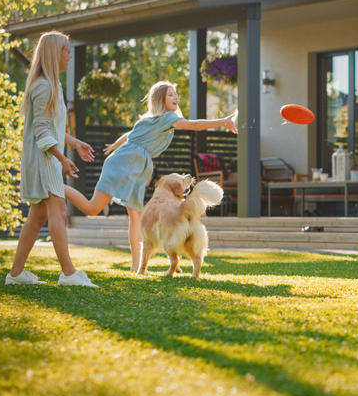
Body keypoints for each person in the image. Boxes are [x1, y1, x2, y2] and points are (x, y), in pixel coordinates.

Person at [64, 81, 237, 272]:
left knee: (136, 217)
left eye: (175, 94)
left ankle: (137, 265)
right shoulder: (166, 117)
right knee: (92, 208)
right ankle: (59, 187)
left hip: (134, 167)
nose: (176, 97)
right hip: (124, 165)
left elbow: (130, 134)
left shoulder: (152, 120)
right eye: (171, 94)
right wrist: (222, 121)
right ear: (160, 99)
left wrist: (115, 145)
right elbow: (194, 125)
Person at [7, 31, 98, 287]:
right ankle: (68, 274)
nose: (70, 55)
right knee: (58, 210)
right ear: (53, 54)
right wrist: (63, 159)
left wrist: (75, 142)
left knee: (37, 217)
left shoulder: (54, 85)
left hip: (48, 158)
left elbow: (54, 129)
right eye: (67, 50)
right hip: (43, 160)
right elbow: (42, 133)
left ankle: (15, 275)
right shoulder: (44, 86)